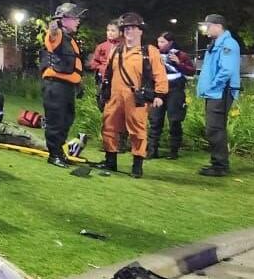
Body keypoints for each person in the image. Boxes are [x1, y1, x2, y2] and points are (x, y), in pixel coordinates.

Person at [96, 13, 167, 178]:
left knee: (138, 130)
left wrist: (160, 94)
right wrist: (103, 93)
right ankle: (110, 161)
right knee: (109, 127)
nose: (129, 31)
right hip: (114, 96)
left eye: (133, 28)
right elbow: (108, 74)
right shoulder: (115, 50)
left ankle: (137, 165)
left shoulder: (149, 52)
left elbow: (159, 75)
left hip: (136, 98)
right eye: (126, 28)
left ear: (141, 31)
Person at [41, 2, 87, 167]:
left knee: (67, 119)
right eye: (75, 18)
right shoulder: (58, 34)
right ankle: (54, 155)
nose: (78, 21)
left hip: (66, 87)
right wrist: (54, 26)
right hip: (56, 86)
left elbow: (72, 64)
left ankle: (59, 152)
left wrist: (79, 82)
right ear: (64, 19)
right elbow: (52, 37)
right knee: (56, 120)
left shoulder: (70, 39)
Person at [195, 13, 241, 177]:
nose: (205, 29)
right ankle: (218, 163)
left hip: (220, 92)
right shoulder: (217, 44)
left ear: (218, 26)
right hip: (215, 92)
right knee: (214, 128)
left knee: (214, 129)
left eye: (208, 26)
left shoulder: (228, 44)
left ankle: (220, 166)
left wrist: (213, 87)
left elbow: (226, 71)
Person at [147, 31, 196, 159]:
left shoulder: (180, 54)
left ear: (170, 42)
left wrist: (178, 63)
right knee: (155, 120)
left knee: (175, 120)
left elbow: (191, 71)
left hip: (175, 90)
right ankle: (152, 150)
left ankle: (173, 151)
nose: (159, 44)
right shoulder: (154, 54)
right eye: (158, 42)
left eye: (162, 42)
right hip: (158, 90)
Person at [88, 22, 121, 107]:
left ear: (120, 32)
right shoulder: (101, 46)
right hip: (103, 78)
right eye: (108, 30)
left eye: (113, 31)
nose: (110, 32)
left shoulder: (123, 46)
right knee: (102, 99)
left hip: (118, 78)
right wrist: (100, 68)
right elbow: (94, 62)